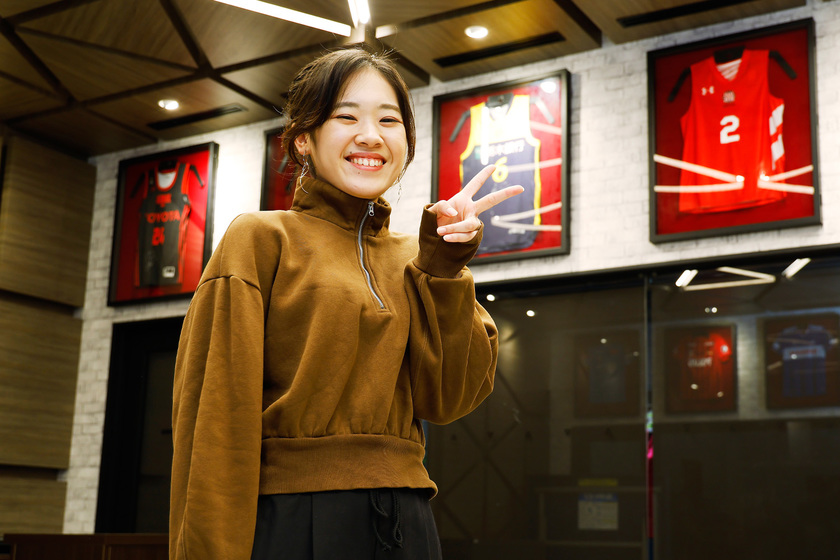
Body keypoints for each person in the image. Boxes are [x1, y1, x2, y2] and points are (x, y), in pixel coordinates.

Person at [169, 47, 523, 560]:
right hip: (291, 520)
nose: (371, 136)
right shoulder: (260, 238)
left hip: (409, 520)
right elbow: (215, 422)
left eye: (389, 120)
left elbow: (448, 398)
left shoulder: (418, 256)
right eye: (346, 116)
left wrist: (444, 268)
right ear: (304, 140)